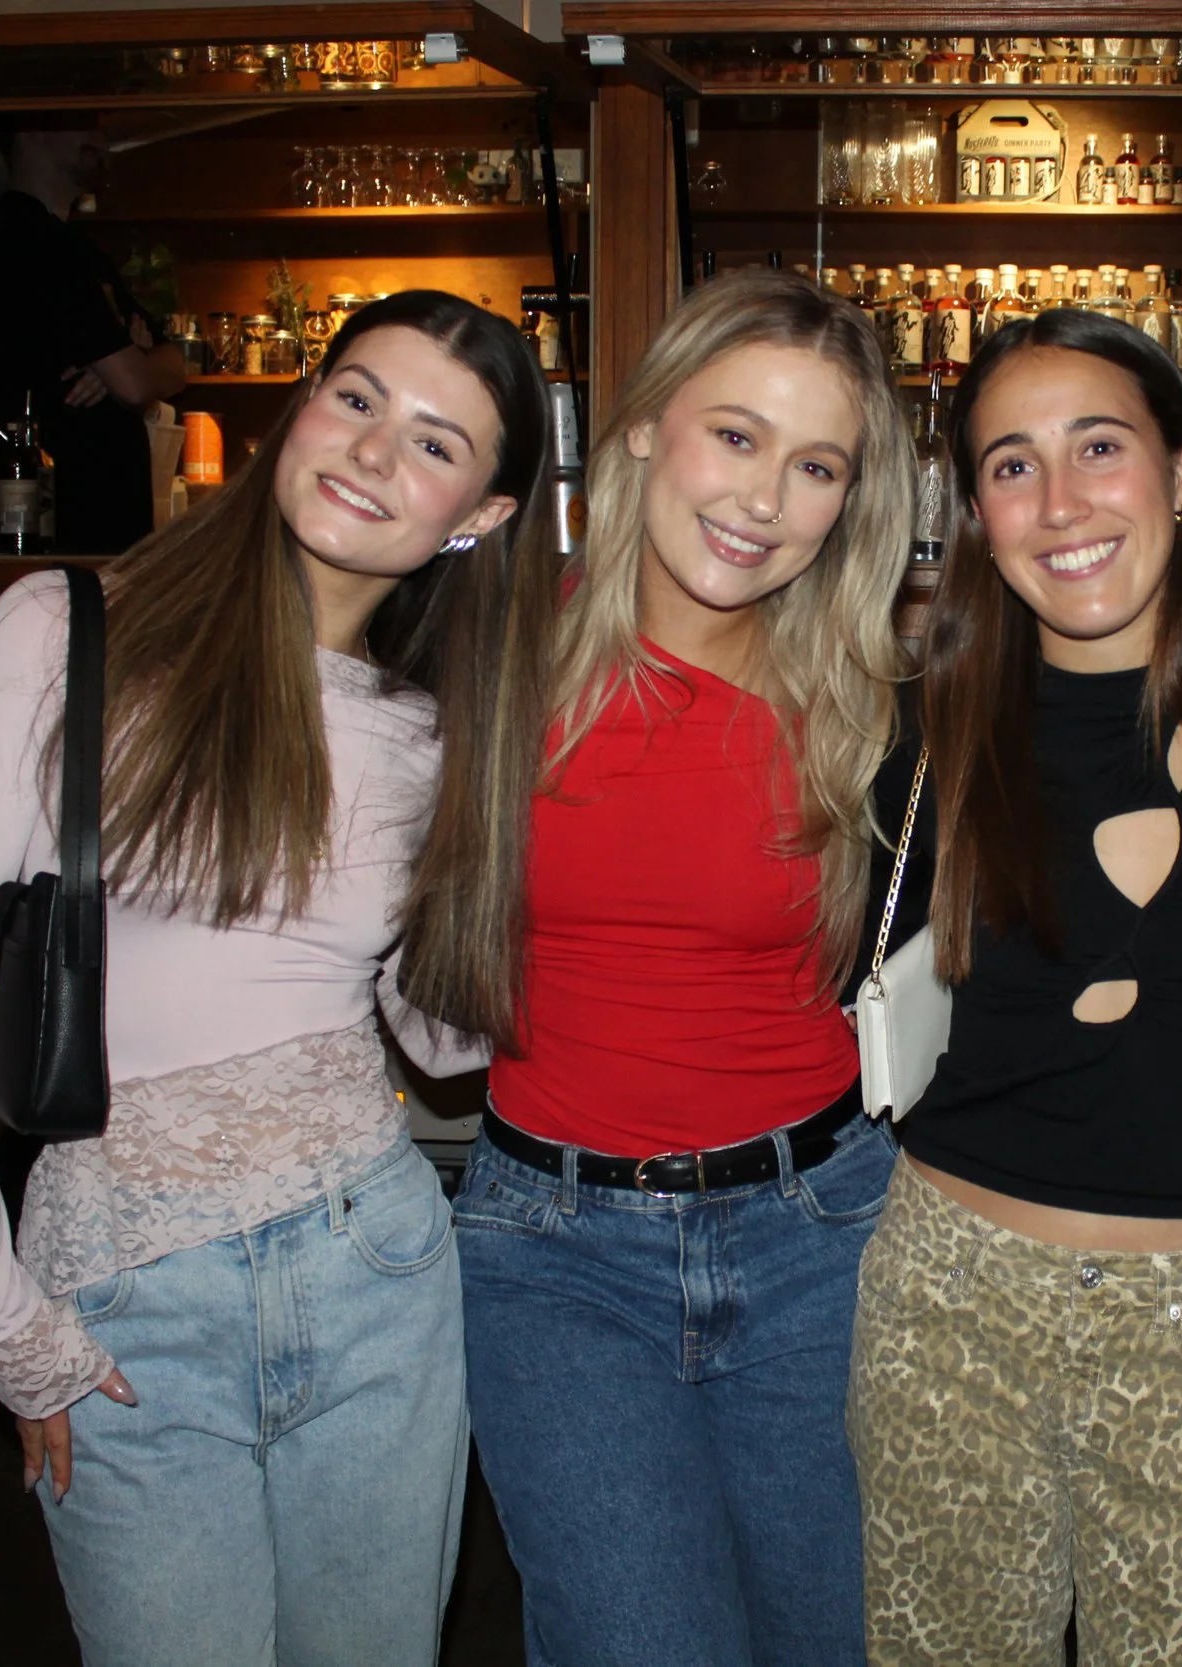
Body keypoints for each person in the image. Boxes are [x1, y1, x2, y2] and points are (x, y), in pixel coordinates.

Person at [0, 291, 553, 1666]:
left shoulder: (433, 728)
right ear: (300, 406)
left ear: (479, 515)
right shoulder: (69, 628)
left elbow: (441, 1037)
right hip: (122, 1284)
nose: (374, 452)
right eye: (357, 398)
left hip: (377, 1269)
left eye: (435, 444)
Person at [846, 306, 1182, 1666]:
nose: (1060, 501)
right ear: (976, 513)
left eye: (1099, 446)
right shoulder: (935, 719)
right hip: (951, 1293)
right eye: (1011, 465)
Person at [406, 267, 914, 1667]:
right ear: (643, 425)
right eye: (735, 435)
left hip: (823, 1235)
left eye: (816, 465)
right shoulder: (488, 654)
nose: (764, 498)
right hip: (556, 1255)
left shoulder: (871, 705)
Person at [0, 113, 188, 555]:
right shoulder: (30, 237)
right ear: (31, 130)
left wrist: (126, 366)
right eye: (83, 121)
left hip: (98, 534)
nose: (101, 140)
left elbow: (176, 366)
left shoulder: (76, 247)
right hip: (63, 531)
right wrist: (128, 367)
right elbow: (135, 385)